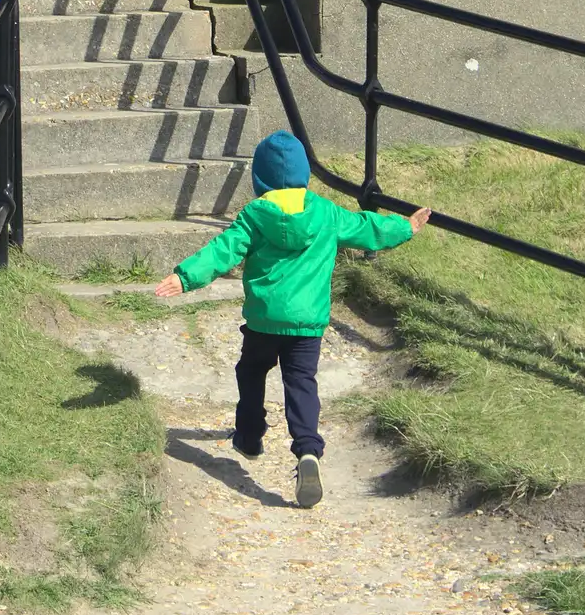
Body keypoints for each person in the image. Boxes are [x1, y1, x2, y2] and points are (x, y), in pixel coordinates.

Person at [155, 131, 430, 508]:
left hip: (264, 321)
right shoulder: (325, 213)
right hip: (307, 325)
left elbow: (222, 251)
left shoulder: (253, 216)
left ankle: (250, 436)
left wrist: (184, 277)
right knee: (301, 383)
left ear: (260, 179)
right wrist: (406, 227)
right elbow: (367, 228)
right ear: (304, 173)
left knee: (250, 372)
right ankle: (307, 450)